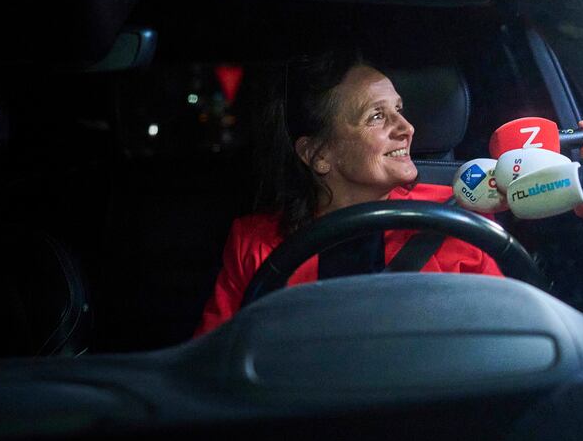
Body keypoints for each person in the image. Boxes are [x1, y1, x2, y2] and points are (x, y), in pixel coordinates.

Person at [196, 50, 501, 334]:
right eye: (377, 116)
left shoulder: (456, 217)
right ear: (319, 154)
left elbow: (506, 338)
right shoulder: (254, 244)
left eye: (399, 109)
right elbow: (215, 366)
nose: (406, 127)